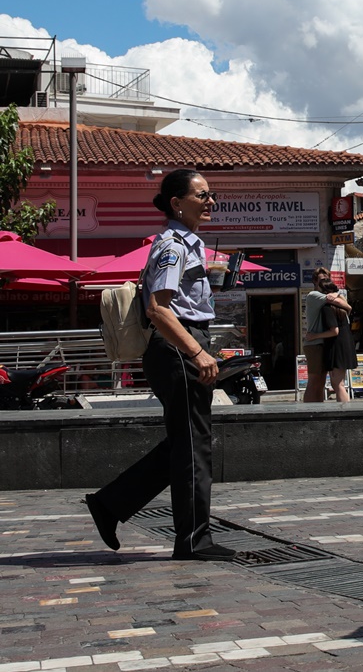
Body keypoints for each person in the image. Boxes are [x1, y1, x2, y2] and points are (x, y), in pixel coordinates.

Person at [86, 169, 236, 561]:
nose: (210, 202)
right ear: (176, 202)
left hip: (181, 345)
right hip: (177, 348)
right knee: (193, 447)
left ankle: (110, 504)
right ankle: (192, 541)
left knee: (185, 443)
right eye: (202, 195)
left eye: (211, 195)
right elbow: (158, 309)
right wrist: (196, 352)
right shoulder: (173, 246)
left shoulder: (188, 244)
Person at [302, 268, 351, 403]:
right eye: (321, 280)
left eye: (327, 279)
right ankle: (309, 411)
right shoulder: (314, 295)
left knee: (321, 382)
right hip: (314, 344)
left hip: (323, 342)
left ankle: (317, 410)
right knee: (314, 381)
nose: (324, 283)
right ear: (315, 282)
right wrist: (337, 295)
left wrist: (336, 294)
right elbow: (343, 304)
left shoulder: (326, 299)